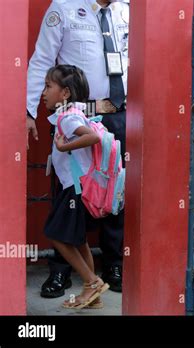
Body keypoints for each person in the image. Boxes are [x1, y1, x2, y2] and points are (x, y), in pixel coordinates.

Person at [27, 0, 129, 297]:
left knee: (113, 190)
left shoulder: (126, 11)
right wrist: (29, 111)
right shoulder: (65, 7)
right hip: (75, 115)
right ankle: (61, 271)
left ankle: (113, 265)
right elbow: (42, 59)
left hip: (118, 114)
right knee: (69, 189)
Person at [42, 65, 110, 309]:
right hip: (79, 187)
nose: (44, 92)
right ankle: (93, 295)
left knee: (55, 234)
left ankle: (92, 282)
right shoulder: (73, 113)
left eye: (49, 86)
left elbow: (93, 137)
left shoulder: (68, 117)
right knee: (79, 241)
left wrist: (63, 148)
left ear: (65, 93)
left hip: (74, 187)